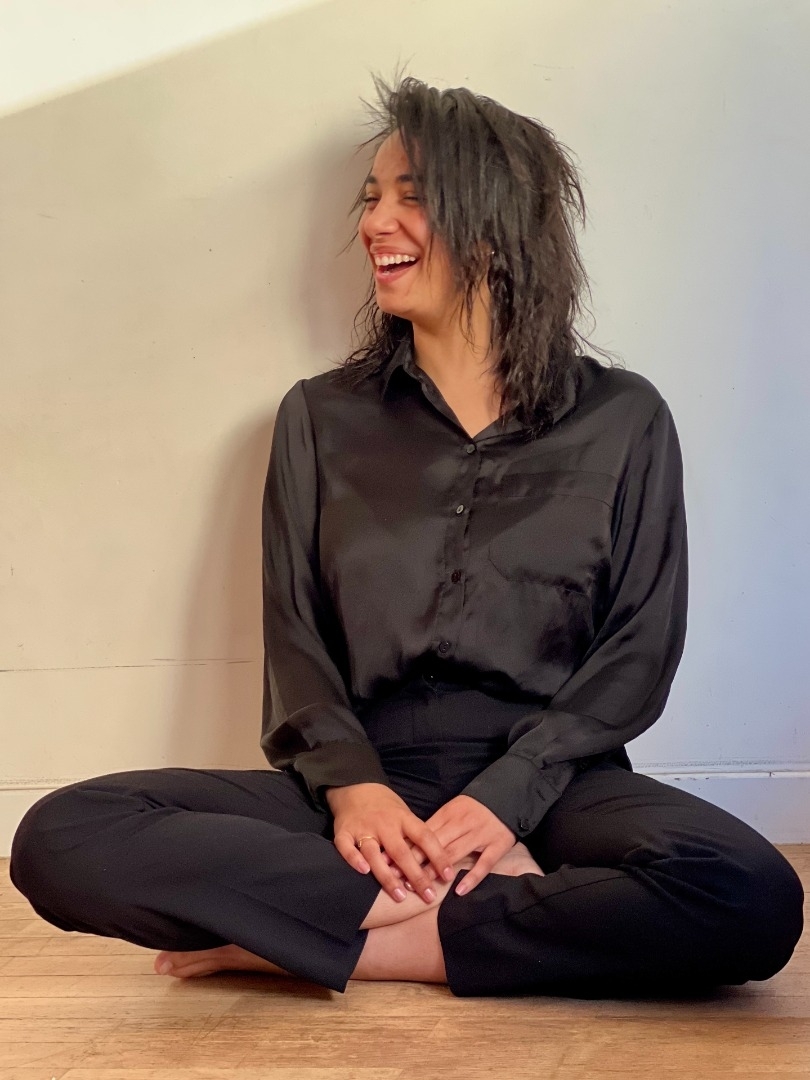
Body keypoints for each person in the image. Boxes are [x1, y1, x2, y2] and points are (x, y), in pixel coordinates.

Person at [10, 77, 803, 997]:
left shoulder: (624, 418)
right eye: (371, 198)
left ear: (495, 224)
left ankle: (343, 940)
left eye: (411, 196)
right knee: (62, 834)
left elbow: (639, 650)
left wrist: (507, 797)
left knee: (748, 894)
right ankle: (467, 913)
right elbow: (297, 638)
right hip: (368, 784)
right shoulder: (319, 418)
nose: (374, 224)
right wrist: (354, 787)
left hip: (556, 783)